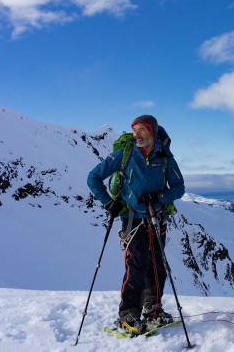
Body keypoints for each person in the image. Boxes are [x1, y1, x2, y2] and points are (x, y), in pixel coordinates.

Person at [87, 114, 185, 335]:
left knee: (157, 265)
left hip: (156, 218)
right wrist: (108, 203)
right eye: (134, 130)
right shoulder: (124, 155)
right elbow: (93, 177)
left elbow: (179, 188)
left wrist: (159, 199)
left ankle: (153, 309)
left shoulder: (165, 158)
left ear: (152, 132)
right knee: (137, 265)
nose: (136, 135)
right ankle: (128, 314)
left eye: (141, 130)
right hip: (132, 220)